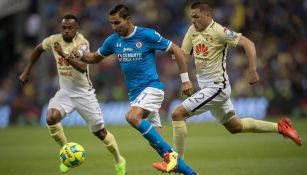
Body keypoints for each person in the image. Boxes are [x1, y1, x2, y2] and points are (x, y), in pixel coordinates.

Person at [162, 1, 302, 163]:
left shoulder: (220, 31)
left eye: (196, 17)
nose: (193, 21)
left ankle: (176, 162)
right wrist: (178, 58)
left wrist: (253, 70)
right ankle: (280, 127)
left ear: (208, 16)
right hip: (208, 88)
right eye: (191, 17)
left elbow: (248, 43)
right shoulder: (192, 30)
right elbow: (185, 55)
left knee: (177, 113)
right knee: (235, 127)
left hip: (217, 88)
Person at [69, 4, 198, 175]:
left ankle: (171, 158)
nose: (114, 27)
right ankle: (190, 173)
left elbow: (175, 49)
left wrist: (185, 80)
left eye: (117, 23)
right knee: (155, 142)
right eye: (111, 24)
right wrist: (78, 54)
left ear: (128, 19)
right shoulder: (113, 40)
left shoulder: (146, 35)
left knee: (131, 116)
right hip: (136, 96)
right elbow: (93, 58)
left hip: (152, 89)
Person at [19, 14, 127, 175]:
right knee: (51, 118)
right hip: (65, 93)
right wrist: (27, 71)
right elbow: (38, 49)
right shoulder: (54, 40)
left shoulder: (82, 43)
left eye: (70, 28)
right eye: (64, 27)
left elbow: (83, 67)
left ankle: (119, 160)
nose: (67, 31)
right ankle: (67, 154)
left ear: (77, 29)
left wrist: (63, 54)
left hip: (84, 94)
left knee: (101, 133)